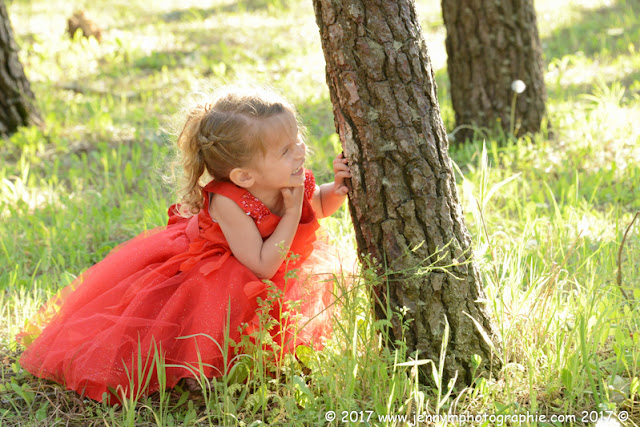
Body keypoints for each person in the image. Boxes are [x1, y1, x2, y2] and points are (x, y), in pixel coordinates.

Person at [17, 86, 351, 404]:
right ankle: (196, 364)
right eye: (286, 149)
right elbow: (261, 266)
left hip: (269, 254)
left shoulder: (288, 176)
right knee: (219, 293)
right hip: (223, 261)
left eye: (298, 139)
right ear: (244, 177)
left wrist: (335, 188)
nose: (301, 151)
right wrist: (292, 212)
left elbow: (317, 204)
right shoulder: (228, 201)